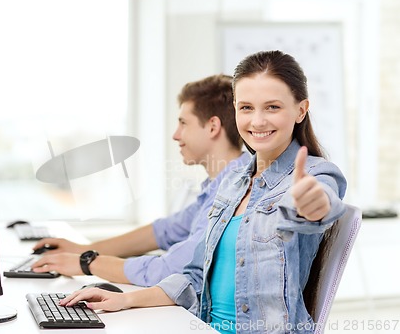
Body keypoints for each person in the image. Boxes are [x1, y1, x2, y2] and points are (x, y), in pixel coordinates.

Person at [59, 50, 348, 334]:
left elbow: (324, 204)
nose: (257, 121)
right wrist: (125, 299)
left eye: (272, 107)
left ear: (301, 110)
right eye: (246, 107)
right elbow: (194, 276)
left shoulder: (315, 175)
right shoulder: (233, 180)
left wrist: (313, 205)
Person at [31, 74, 251, 286]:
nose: (176, 135)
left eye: (183, 123)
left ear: (212, 127)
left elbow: (171, 268)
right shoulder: (220, 185)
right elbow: (164, 231)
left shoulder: (236, 190)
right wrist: (83, 248)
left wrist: (87, 263)